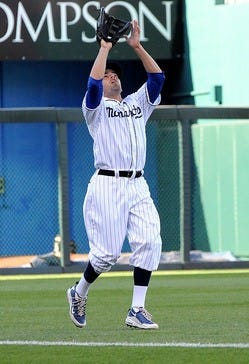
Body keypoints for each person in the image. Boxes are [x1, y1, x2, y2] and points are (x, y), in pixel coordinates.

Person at [67, 20, 165, 330]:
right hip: (108, 184)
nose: (112, 76)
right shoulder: (95, 108)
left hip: (138, 184)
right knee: (107, 255)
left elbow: (158, 78)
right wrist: (105, 49)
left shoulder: (137, 103)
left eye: (116, 75)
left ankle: (137, 309)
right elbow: (93, 85)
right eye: (109, 74)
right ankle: (79, 292)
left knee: (150, 242)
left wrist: (136, 46)